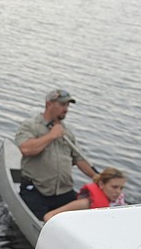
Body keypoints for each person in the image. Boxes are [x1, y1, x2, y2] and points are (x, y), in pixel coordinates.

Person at [15, 88, 99, 221]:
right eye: (62, 104)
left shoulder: (67, 132)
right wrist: (52, 135)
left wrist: (97, 177)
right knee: (41, 219)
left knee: (89, 215)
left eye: (67, 105)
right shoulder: (30, 126)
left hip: (64, 192)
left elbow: (78, 159)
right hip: (37, 190)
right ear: (49, 104)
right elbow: (26, 149)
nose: (66, 109)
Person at [43, 167, 127, 221]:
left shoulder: (119, 204)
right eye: (114, 187)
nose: (118, 192)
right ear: (101, 184)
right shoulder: (86, 203)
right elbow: (49, 215)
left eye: (121, 188)